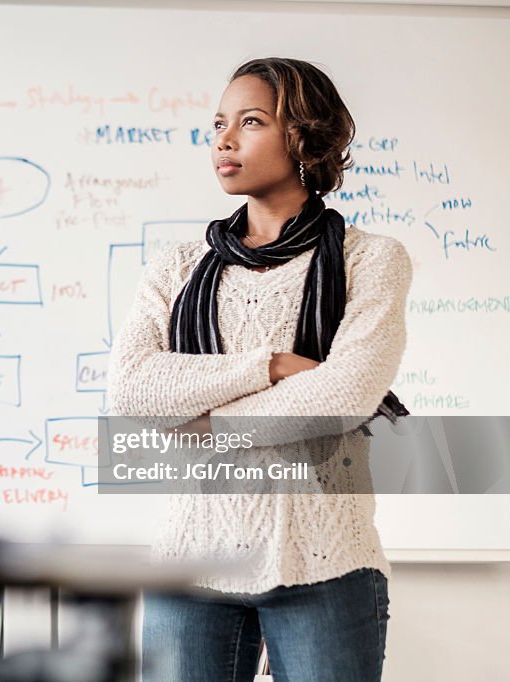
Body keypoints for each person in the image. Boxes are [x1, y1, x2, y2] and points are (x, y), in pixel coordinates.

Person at [106, 57, 412, 682]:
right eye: (218, 123)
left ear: (303, 136)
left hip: (323, 562)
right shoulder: (177, 268)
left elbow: (344, 397)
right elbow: (132, 393)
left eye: (250, 122)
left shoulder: (372, 260)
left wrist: (200, 426)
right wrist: (270, 365)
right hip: (188, 562)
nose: (223, 140)